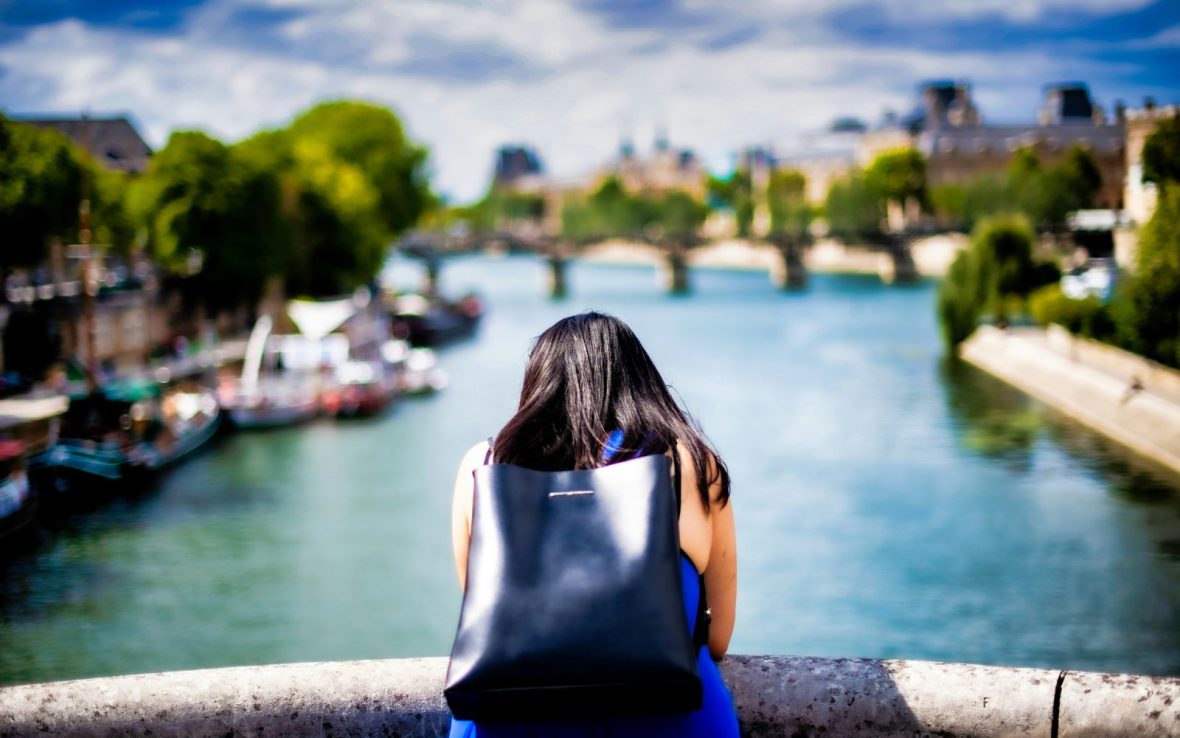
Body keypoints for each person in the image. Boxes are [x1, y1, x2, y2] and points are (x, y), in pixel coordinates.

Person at [448, 311, 739, 737]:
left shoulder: (483, 465)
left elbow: (485, 607)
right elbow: (718, 638)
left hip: (509, 720)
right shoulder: (691, 463)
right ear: (641, 382)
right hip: (674, 719)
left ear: (537, 384)